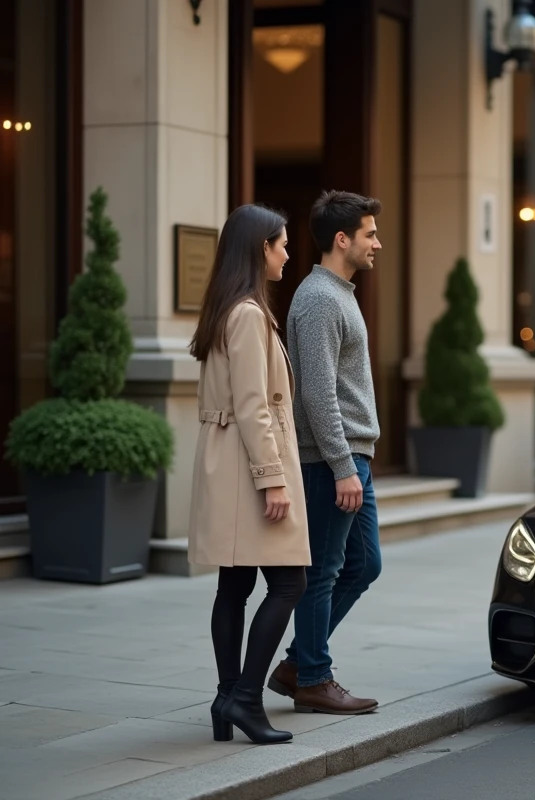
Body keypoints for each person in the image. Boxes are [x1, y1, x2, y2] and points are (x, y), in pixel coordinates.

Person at [188, 204, 311, 745]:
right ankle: (244, 698)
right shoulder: (248, 314)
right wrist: (273, 478)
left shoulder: (226, 309)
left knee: (235, 583)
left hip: (231, 462)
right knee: (289, 581)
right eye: (281, 244)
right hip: (248, 466)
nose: (288, 253)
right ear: (260, 248)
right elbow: (253, 404)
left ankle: (225, 697)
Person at [267, 191, 383, 715]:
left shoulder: (340, 293)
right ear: (343, 240)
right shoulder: (317, 299)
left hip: (354, 456)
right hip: (331, 461)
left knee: (364, 565)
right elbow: (317, 392)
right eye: (370, 234)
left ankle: (298, 662)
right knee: (326, 571)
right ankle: (313, 678)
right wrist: (342, 467)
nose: (377, 242)